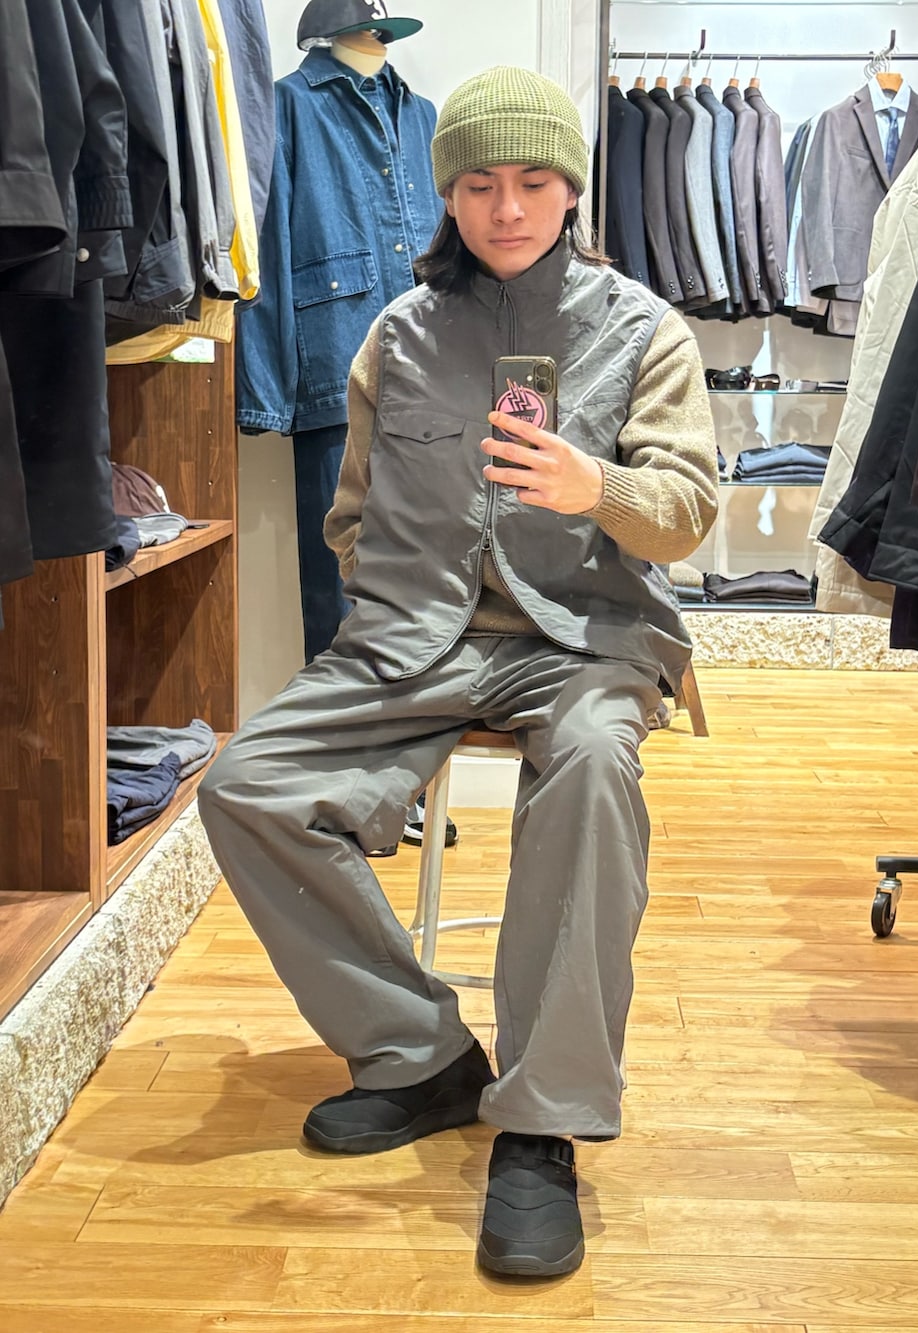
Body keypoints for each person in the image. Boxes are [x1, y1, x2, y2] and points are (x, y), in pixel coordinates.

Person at [198, 65, 717, 1278]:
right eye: (479, 183)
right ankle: (420, 1053)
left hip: (584, 637)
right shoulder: (400, 333)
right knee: (245, 784)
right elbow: (352, 510)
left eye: (533, 180)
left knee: (591, 772)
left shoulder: (645, 330)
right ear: (447, 194)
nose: (507, 207)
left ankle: (542, 1121)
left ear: (572, 188)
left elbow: (687, 513)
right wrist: (392, 607)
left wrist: (597, 487)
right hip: (413, 638)